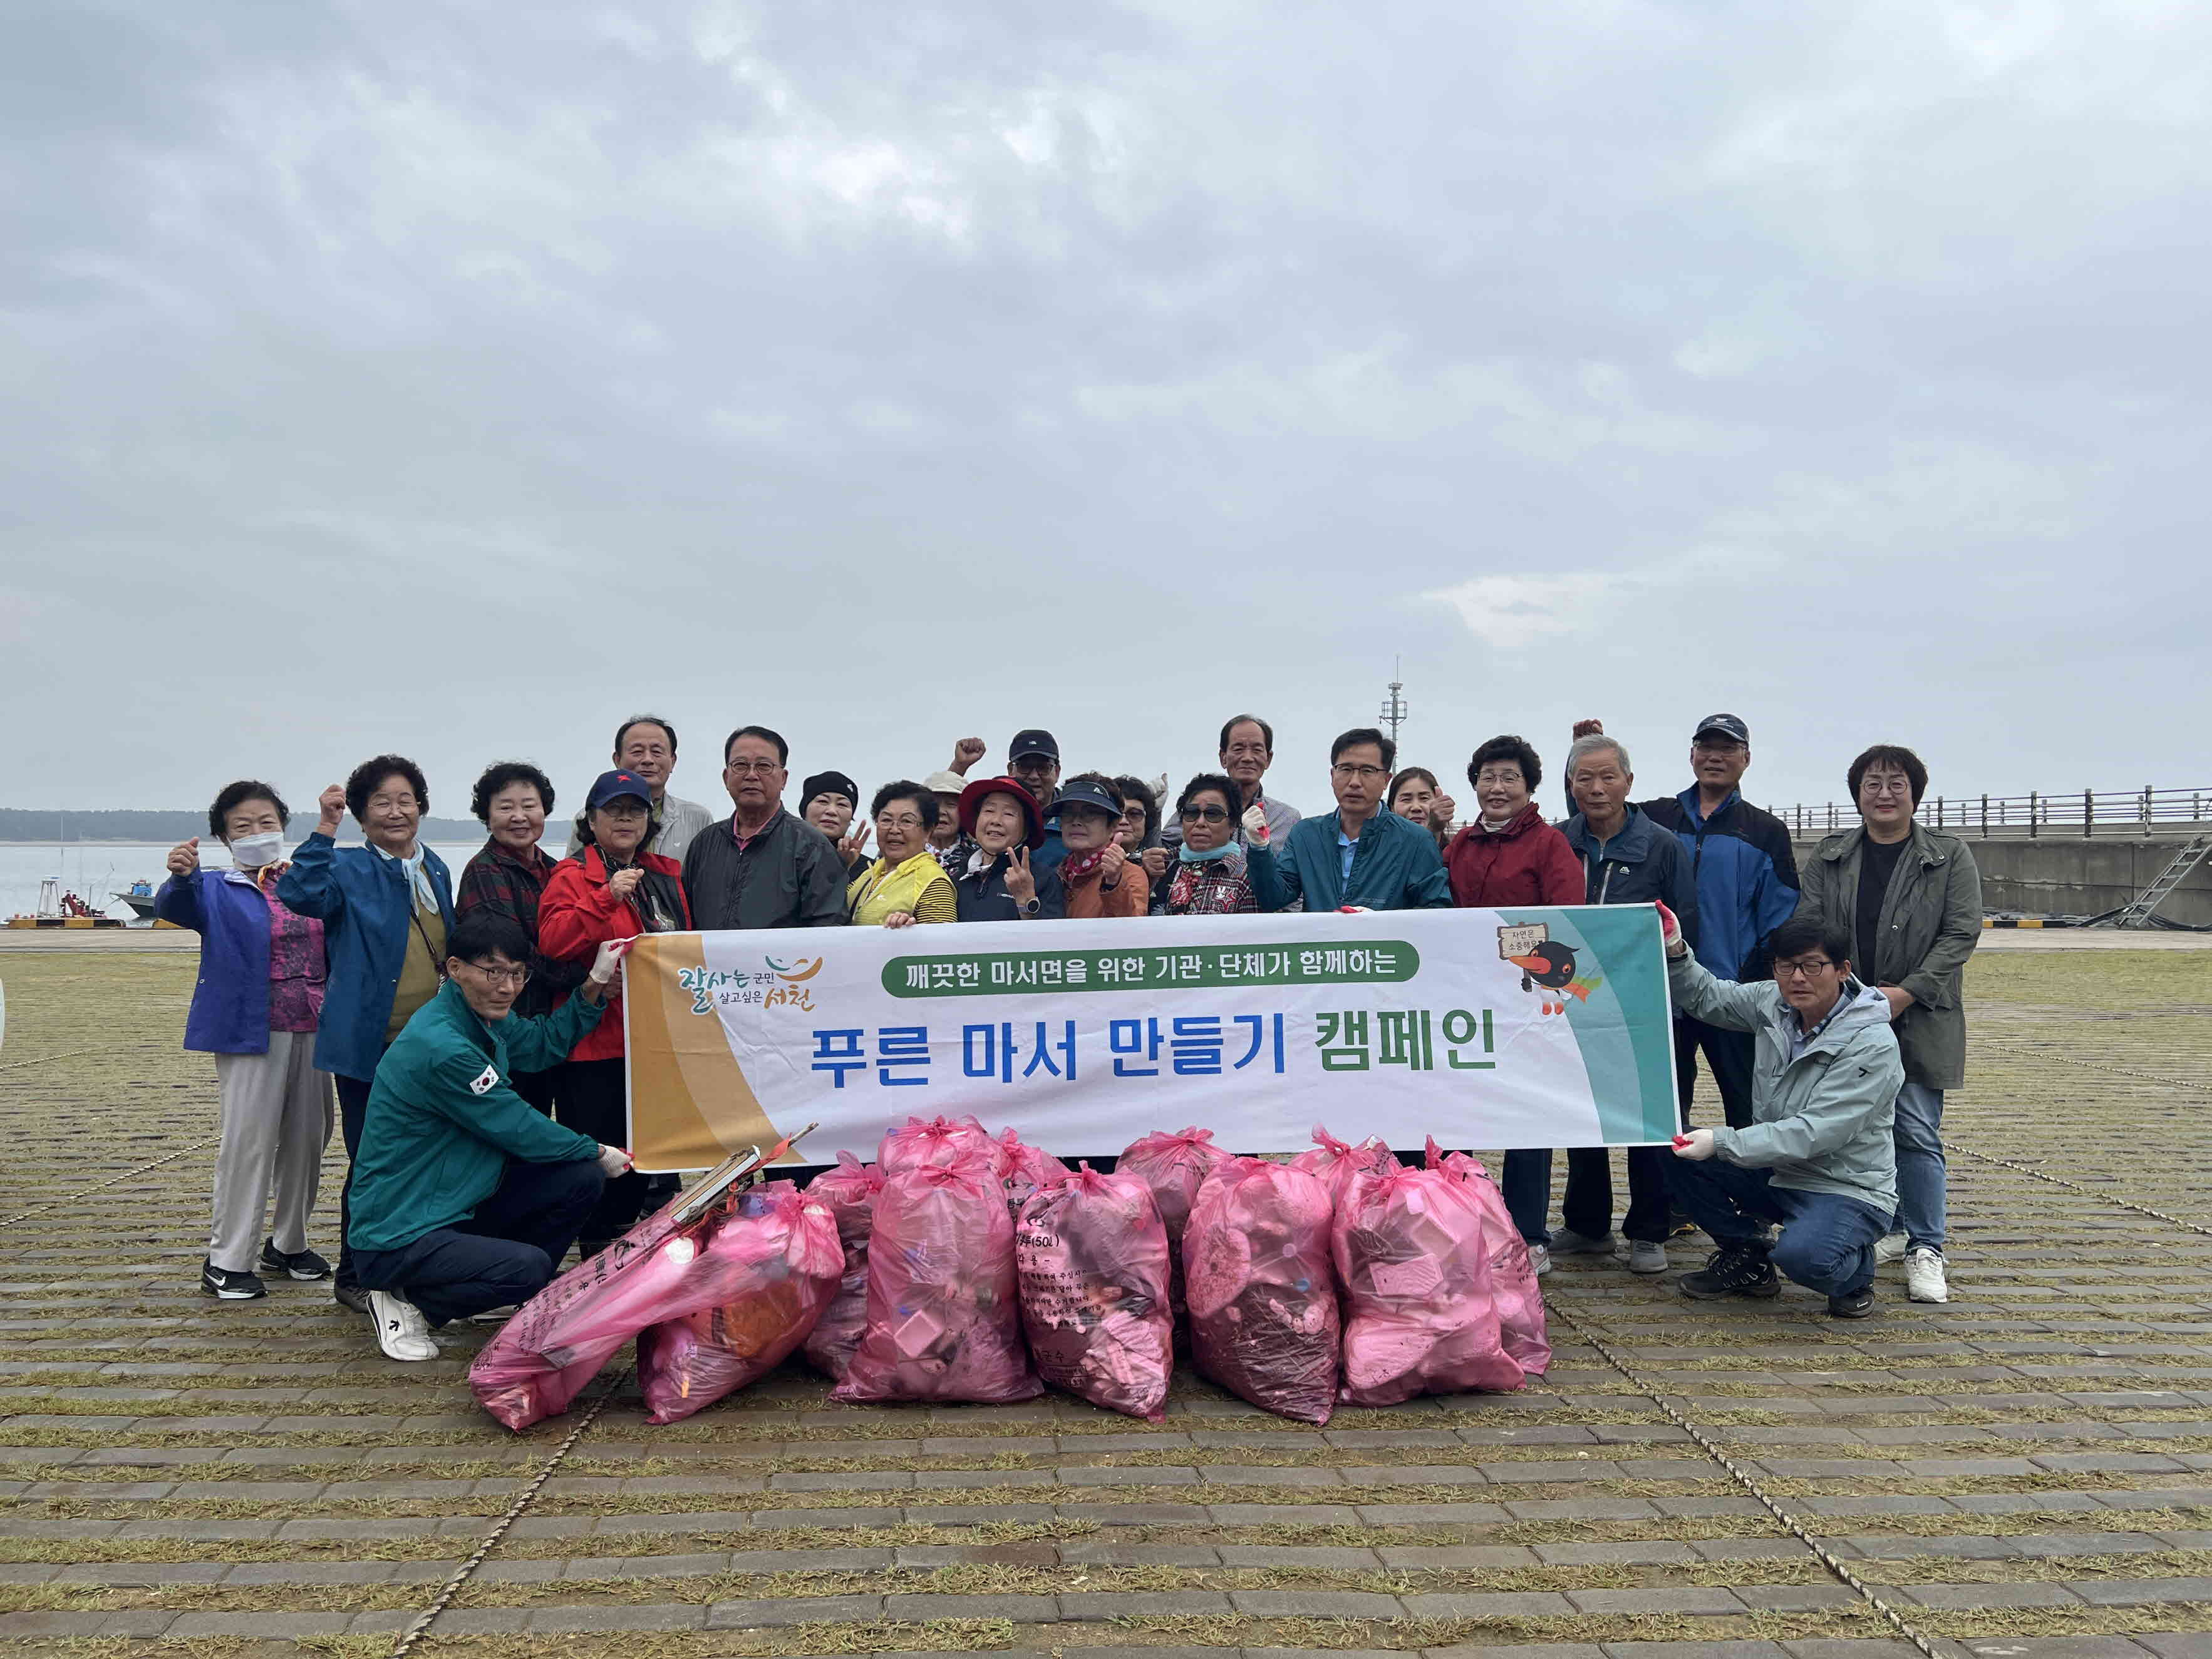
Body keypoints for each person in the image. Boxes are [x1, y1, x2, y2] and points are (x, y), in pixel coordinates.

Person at [347, 912, 637, 1357]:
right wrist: (597, 1148)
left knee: (581, 1178)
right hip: (401, 1231)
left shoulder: (480, 1017)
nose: (507, 987)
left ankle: (486, 1289)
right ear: (455, 968)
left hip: (456, 1199)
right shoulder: (442, 1045)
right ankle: (409, 1303)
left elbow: (543, 1044)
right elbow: (518, 1126)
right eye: (493, 972)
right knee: (530, 1266)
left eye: (517, 974)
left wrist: (595, 981)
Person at [1793, 744, 1983, 1305]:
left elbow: (1961, 933)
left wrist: (1906, 992)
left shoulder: (1948, 855)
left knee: (1917, 1130)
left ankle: (1928, 1246)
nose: (1883, 793)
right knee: (1854, 1126)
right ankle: (1890, 1227)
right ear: (1857, 793)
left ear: (1914, 793)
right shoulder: (1829, 856)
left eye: (1896, 783)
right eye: (1872, 783)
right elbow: (1810, 927)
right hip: (1845, 1012)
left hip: (1920, 1013)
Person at [1660, 906, 1902, 1320]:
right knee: (1670, 1149)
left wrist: (1722, 1141)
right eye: (1786, 966)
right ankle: (1749, 1257)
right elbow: (1710, 997)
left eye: (1812, 965)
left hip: (1844, 1185)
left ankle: (1856, 1270)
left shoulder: (1873, 1044)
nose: (1797, 978)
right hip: (1776, 1169)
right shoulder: (1773, 1003)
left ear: (1843, 970)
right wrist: (1677, 950)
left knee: (1806, 1257)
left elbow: (1814, 1132)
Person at [277, 755, 456, 1313]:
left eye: (406, 800)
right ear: (360, 814)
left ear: (422, 807)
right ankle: (354, 1272)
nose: (396, 811)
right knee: (373, 1157)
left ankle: (409, 1261)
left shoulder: (437, 869)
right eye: (381, 802)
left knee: (426, 1154)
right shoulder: (347, 868)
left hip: (430, 1042)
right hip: (367, 1042)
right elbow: (300, 895)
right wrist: (324, 828)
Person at [157, 782, 334, 1301]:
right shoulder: (213, 887)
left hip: (313, 1021)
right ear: (222, 836)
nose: (257, 832)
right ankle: (227, 1258)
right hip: (249, 1027)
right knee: (248, 1141)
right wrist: (180, 874)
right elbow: (177, 905)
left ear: (283, 825)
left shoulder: (304, 880)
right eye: (242, 825)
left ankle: (288, 1242)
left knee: (309, 1136)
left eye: (266, 821)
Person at [1552, 735, 1701, 1274]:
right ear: (1570, 785)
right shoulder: (1556, 841)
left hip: (1646, 1007)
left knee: (1652, 1116)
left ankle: (1649, 1229)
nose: (1596, 788)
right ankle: (1588, 1225)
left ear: (1629, 782)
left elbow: (1685, 925)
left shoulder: (1662, 845)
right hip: (1574, 1003)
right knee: (1582, 1112)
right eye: (1583, 777)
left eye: (1607, 776)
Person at [1440, 735, 1584, 1273]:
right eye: (1488, 777)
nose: (1497, 788)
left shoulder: (1549, 845)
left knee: (1527, 1117)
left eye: (1509, 778)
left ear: (1529, 788)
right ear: (1474, 784)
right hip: (1463, 1005)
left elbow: (1567, 923)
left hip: (1527, 1002)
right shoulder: (1460, 844)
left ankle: (1529, 1233)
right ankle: (1463, 1220)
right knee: (1462, 1113)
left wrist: (1496, 948)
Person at [538, 769, 693, 1254]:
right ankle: (593, 1254)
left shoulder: (666, 873)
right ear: (592, 819)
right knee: (597, 1157)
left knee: (643, 1157)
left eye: (636, 809)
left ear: (650, 819)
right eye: (614, 810)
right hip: (593, 1045)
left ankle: (629, 1255)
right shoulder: (571, 874)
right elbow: (553, 943)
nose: (626, 818)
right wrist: (606, 897)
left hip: (653, 1040)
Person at [1631, 714, 1801, 1133]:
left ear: (1746, 758)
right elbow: (1594, 816)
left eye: (1727, 748)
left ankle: (1753, 1196)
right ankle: (1666, 1198)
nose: (1715, 757)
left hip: (1732, 994)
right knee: (1665, 1111)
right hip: (1664, 994)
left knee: (1748, 1107)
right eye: (1706, 747)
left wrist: (1759, 987)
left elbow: (1780, 918)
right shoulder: (1653, 818)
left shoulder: (1766, 831)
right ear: (1691, 755)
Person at [457, 762, 586, 1115]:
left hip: (552, 1024)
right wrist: (585, 978)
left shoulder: (554, 869)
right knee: (514, 1133)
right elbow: (512, 955)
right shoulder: (484, 870)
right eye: (505, 807)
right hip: (507, 1027)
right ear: (487, 815)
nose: (519, 817)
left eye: (529, 806)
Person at [1248, 728, 1450, 912]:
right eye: (1345, 769)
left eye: (1367, 771)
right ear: (1332, 775)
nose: (1355, 782)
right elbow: (1274, 897)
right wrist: (1259, 848)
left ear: (1386, 781)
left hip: (1385, 950)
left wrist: (1387, 924)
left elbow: (1435, 907)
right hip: (1322, 950)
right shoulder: (1306, 835)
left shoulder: (1415, 840)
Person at [680, 725, 848, 931]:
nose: (751, 775)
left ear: (783, 778)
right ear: (726, 777)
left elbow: (828, 928)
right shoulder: (705, 843)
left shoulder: (812, 846)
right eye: (741, 765)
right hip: (707, 964)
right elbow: (684, 920)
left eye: (764, 766)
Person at [566, 716, 715, 862]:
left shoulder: (697, 819)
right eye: (637, 752)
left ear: (673, 761)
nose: (648, 760)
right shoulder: (589, 817)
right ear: (617, 760)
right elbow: (573, 872)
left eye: (657, 752)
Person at [1164, 715, 1301, 849]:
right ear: (1223, 758)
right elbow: (1161, 849)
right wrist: (1153, 812)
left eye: (1257, 750)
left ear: (1268, 759)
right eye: (1238, 749)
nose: (1248, 758)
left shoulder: (1287, 819)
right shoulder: (1198, 807)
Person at [847, 781, 960, 926]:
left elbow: (941, 945)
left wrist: (908, 933)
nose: (894, 830)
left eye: (906, 821)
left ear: (928, 832)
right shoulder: (870, 874)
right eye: (886, 820)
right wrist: (845, 866)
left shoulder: (933, 883)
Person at [951, 777, 1062, 921]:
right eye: (989, 810)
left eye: (1009, 814)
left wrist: (1027, 905)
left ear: (1027, 829)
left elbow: (1053, 940)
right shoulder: (956, 876)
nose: (996, 821)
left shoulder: (1044, 879)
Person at [1051, 775, 1150, 918]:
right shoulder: (1055, 875)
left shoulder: (1131, 875)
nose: (1076, 821)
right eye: (1068, 813)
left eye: (1090, 813)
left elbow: (1132, 931)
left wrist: (1114, 884)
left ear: (1113, 825)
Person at [1162, 773, 1258, 914]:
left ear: (1232, 825)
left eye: (1213, 814)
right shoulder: (1165, 869)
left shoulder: (1247, 878)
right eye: (1192, 813)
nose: (1200, 823)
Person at [1113, 774, 1172, 912]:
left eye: (1134, 814)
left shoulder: (1169, 863)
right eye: (1115, 813)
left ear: (1148, 821)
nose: (1123, 821)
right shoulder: (1082, 861)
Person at [800, 771, 873, 881]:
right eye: (823, 801)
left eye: (842, 804)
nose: (832, 811)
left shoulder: (869, 871)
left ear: (851, 818)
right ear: (804, 810)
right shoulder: (780, 855)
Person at [922, 769, 977, 879]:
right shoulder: (904, 850)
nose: (941, 811)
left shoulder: (978, 856)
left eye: (951, 805)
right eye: (934, 805)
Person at [1387, 767, 1456, 851]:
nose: (1416, 807)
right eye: (1406, 799)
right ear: (1392, 808)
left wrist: (1435, 832)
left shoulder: (1456, 854)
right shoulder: (1378, 852)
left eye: (1424, 798)